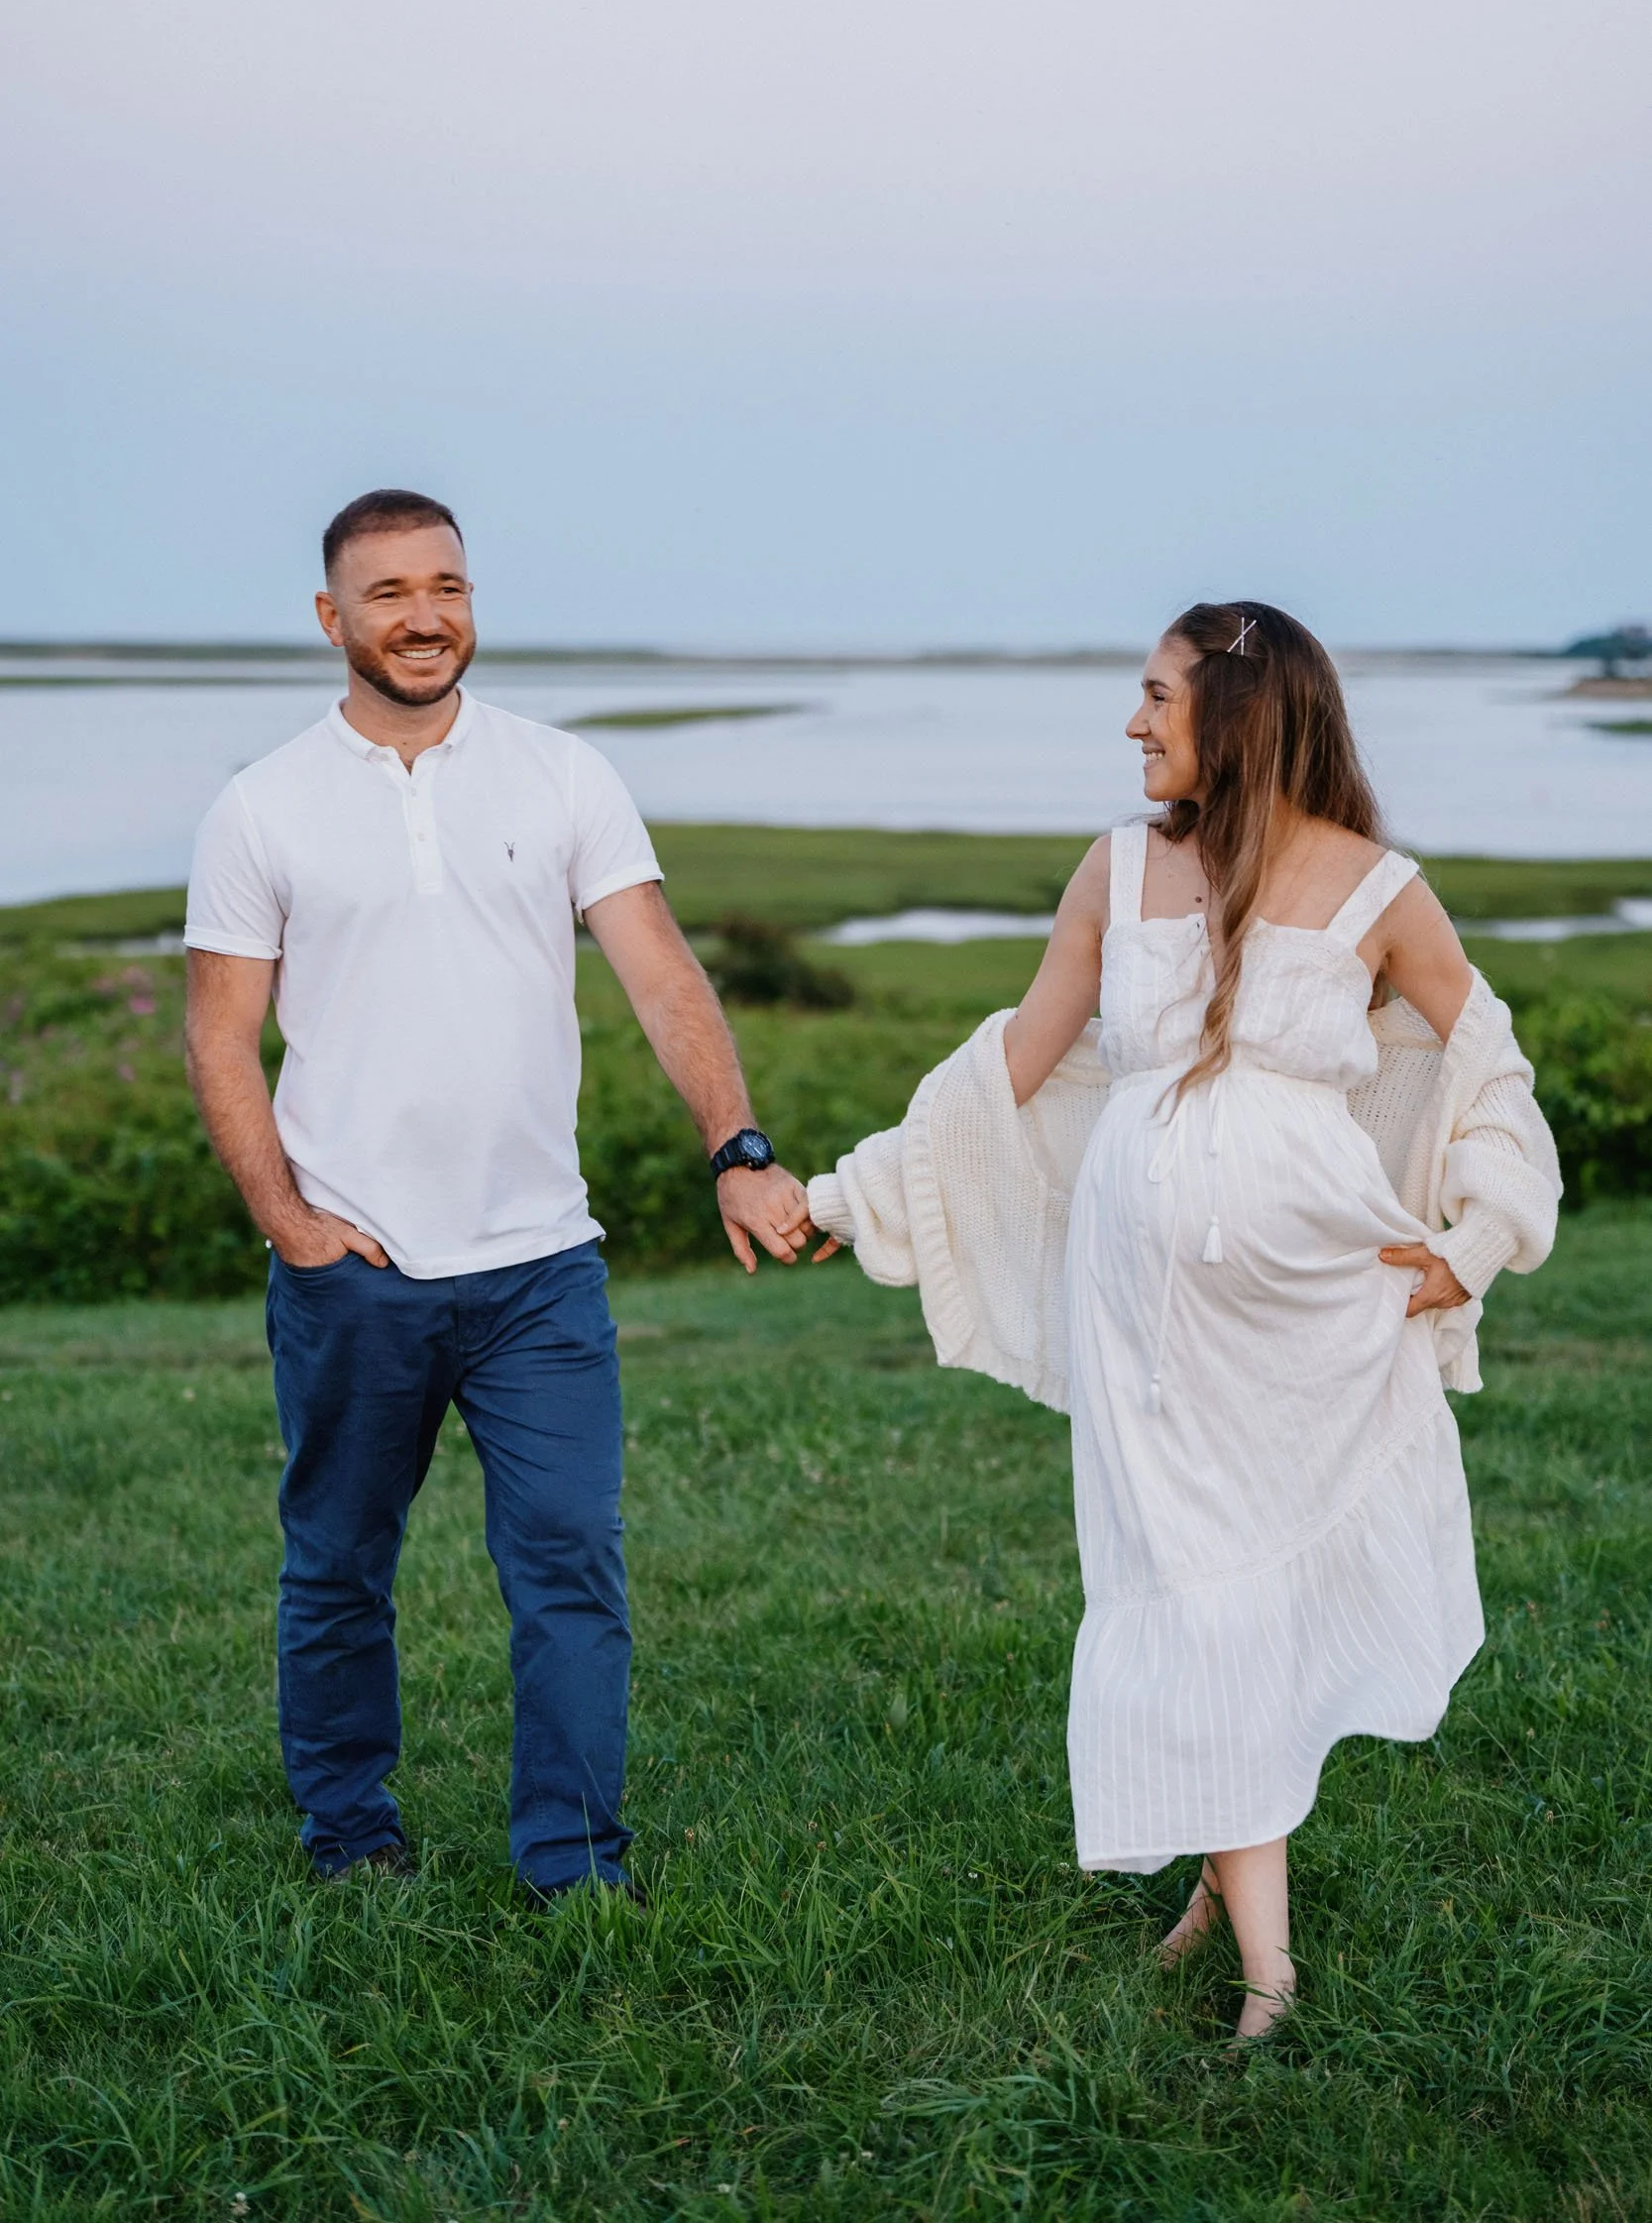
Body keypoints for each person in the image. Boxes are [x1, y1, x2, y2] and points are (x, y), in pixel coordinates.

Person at [803, 602, 1559, 2039]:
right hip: (1142, 1310)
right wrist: (846, 1194)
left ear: (1240, 708)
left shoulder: (1375, 887)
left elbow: (1485, 1066)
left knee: (1245, 1584)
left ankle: (1247, 1933)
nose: (1133, 723)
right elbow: (1004, 1072)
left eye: (1155, 695)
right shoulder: (1116, 870)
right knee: (1179, 1575)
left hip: (1303, 1299)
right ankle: (1248, 1922)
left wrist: (1473, 1242)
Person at [184, 488, 813, 1897]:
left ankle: (575, 1865)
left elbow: (660, 976)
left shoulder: (562, 775)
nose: (424, 617)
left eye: (447, 587)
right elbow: (221, 1034)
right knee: (340, 1569)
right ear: (331, 616)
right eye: (391, 592)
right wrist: (291, 1225)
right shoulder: (262, 805)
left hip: (539, 1268)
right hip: (355, 1272)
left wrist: (738, 1145)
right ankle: (350, 1839)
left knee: (571, 1569)